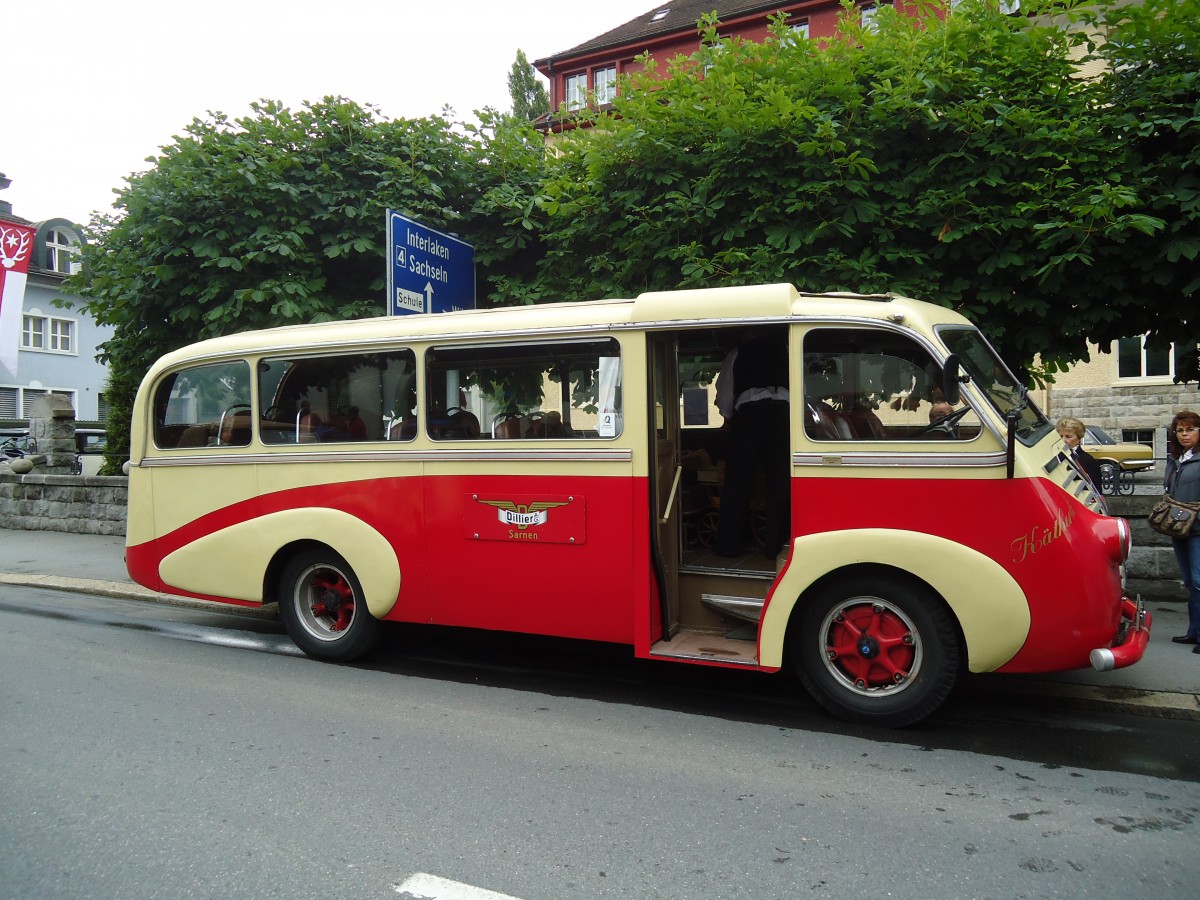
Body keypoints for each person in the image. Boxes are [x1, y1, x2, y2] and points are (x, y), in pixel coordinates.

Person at [714, 329, 790, 559]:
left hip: (750, 415)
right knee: (780, 482)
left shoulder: (737, 353)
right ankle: (777, 547)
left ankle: (728, 545)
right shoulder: (786, 351)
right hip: (782, 415)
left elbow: (725, 394)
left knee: (737, 481)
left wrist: (729, 416)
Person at [1164, 409, 1200, 652]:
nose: (1184, 434)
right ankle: (1193, 632)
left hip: (1198, 529)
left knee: (1199, 581)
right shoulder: (1176, 460)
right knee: (1189, 582)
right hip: (1180, 528)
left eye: (1190, 429)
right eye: (1180, 430)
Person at [1056, 417, 1102, 489]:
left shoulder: (1088, 460)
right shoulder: (1055, 456)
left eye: (1068, 436)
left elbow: (1096, 489)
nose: (1063, 440)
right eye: (1061, 436)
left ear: (1079, 438)